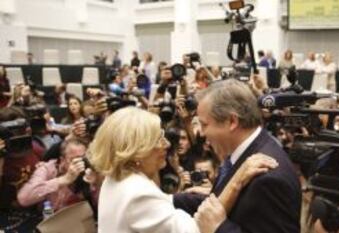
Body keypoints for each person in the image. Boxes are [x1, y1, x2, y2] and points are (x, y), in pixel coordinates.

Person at [89, 107, 278, 233]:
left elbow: (159, 205)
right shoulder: (137, 193)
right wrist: (236, 182)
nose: (167, 144)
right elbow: (199, 229)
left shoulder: (116, 178)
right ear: (136, 151)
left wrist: (211, 195)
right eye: (158, 139)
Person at [174, 79, 302, 233]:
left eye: (204, 124)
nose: (201, 132)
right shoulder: (242, 153)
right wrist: (165, 201)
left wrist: (218, 228)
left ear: (232, 121)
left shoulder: (268, 178)